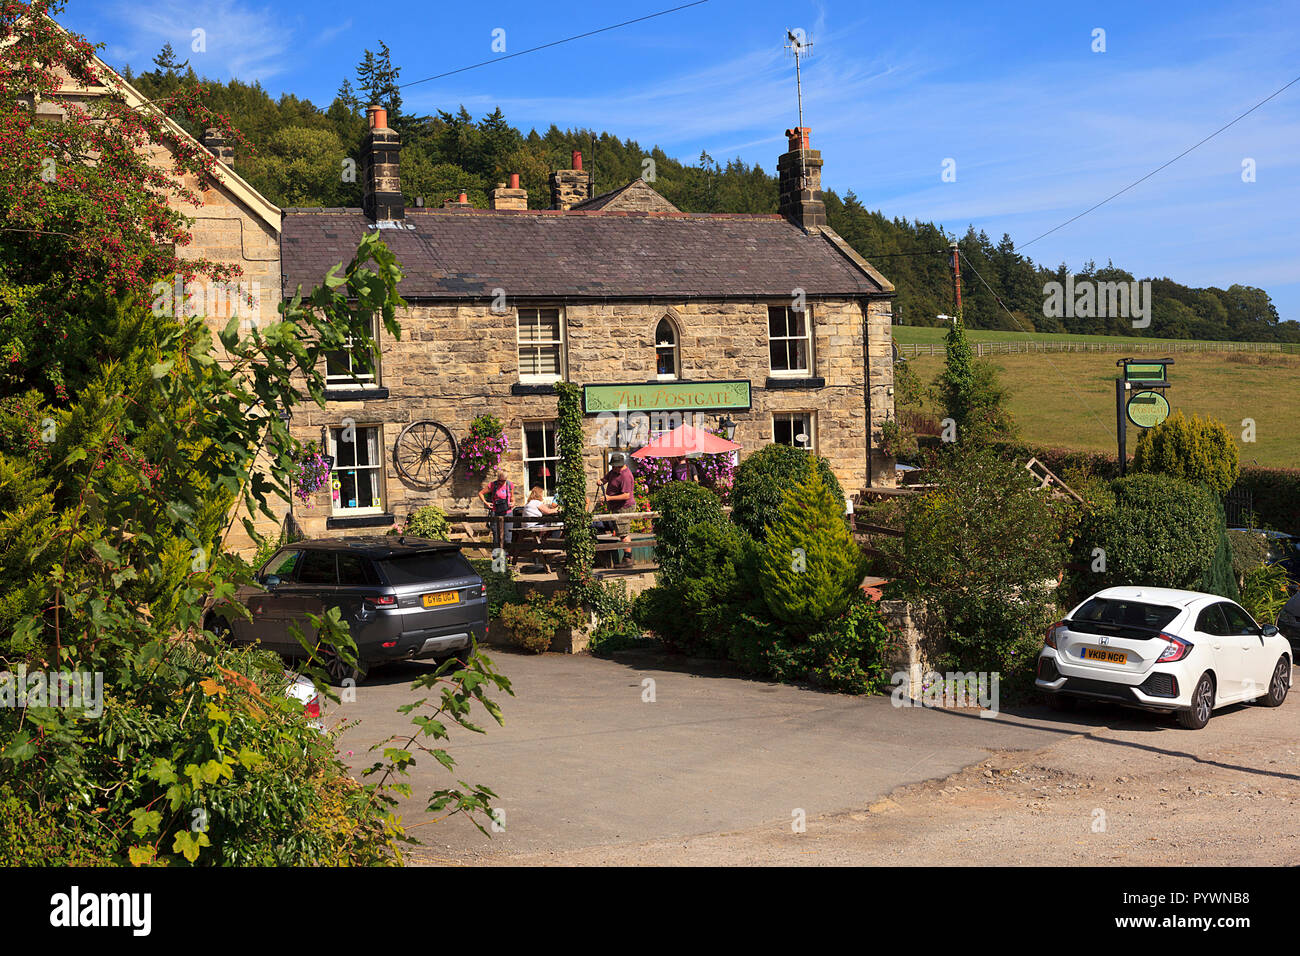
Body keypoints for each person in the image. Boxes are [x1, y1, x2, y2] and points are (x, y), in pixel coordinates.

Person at [598, 452, 636, 566]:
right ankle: (627, 557)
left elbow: (626, 495)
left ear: (620, 465)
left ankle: (628, 559)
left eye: (615, 466)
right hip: (616, 507)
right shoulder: (614, 471)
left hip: (624, 507)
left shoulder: (626, 476)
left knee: (623, 533)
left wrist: (609, 498)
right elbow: (607, 477)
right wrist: (602, 481)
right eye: (613, 466)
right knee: (620, 532)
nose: (614, 469)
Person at [478, 469, 514, 550]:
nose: (502, 483)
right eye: (500, 481)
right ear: (498, 478)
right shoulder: (493, 485)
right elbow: (480, 493)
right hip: (496, 511)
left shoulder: (510, 484)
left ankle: (507, 556)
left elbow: (512, 497)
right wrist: (486, 503)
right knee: (496, 535)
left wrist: (513, 502)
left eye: (504, 480)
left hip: (507, 512)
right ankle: (497, 556)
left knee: (508, 535)